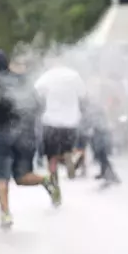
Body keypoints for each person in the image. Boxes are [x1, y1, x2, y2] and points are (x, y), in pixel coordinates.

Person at [0, 50, 60, 229]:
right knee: (21, 177)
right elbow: (39, 105)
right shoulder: (25, 81)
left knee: (1, 177)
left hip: (4, 134)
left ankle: (5, 214)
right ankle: (46, 180)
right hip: (26, 135)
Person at [34, 60, 87, 190]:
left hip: (51, 120)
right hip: (71, 120)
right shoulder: (74, 75)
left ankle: (54, 182)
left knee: (51, 155)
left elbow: (36, 92)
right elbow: (83, 94)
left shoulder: (47, 75)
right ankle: (68, 156)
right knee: (67, 148)